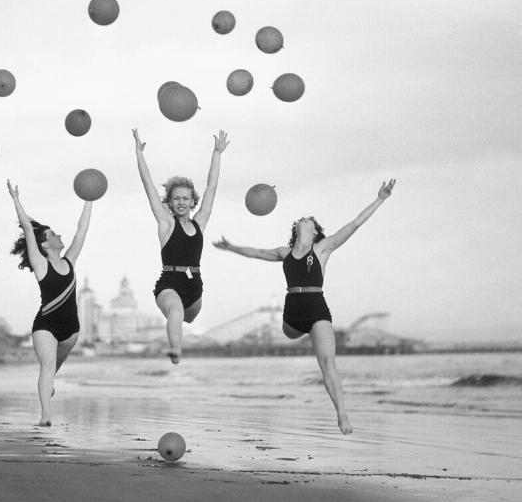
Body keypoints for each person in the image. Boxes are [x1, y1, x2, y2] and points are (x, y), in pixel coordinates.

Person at [213, 179, 396, 434]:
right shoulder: (284, 253)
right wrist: (231, 247)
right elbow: (255, 252)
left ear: (314, 231)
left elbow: (355, 223)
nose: (304, 219)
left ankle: (342, 414)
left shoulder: (323, 248)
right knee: (290, 333)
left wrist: (380, 198)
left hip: (317, 311)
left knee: (327, 363)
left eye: (309, 220)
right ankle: (302, 336)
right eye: (302, 219)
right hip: (292, 317)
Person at [133, 128, 230, 364]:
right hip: (169, 283)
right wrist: (139, 154)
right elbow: (148, 188)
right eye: (176, 198)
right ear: (170, 202)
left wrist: (216, 153)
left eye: (186, 198)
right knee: (175, 311)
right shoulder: (166, 223)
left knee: (188, 317)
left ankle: (178, 335)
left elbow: (212, 188)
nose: (181, 202)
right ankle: (176, 350)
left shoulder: (200, 223)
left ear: (192, 201)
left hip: (194, 286)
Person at [7, 180, 92, 427]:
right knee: (46, 366)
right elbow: (26, 226)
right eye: (53, 234)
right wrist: (16, 200)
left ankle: (48, 386)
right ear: (44, 244)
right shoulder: (41, 263)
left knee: (53, 366)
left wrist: (90, 198)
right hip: (45, 325)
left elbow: (81, 231)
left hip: (71, 331)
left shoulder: (70, 260)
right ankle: (45, 413)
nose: (59, 235)